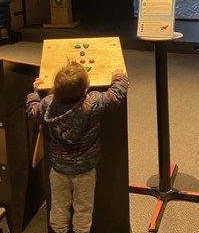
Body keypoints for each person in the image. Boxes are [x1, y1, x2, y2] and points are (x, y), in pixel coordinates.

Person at [26, 63, 129, 233]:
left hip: (58, 169)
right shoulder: (93, 102)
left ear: (56, 88)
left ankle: (59, 230)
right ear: (86, 88)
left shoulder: (48, 104)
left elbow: (33, 112)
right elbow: (116, 95)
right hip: (85, 170)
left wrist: (34, 93)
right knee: (83, 207)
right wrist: (119, 78)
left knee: (59, 205)